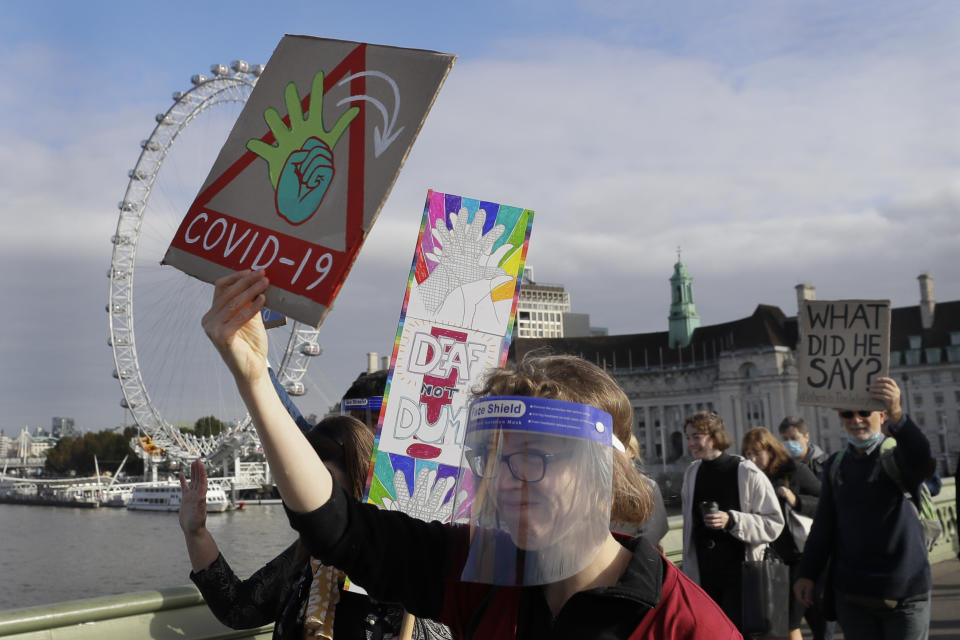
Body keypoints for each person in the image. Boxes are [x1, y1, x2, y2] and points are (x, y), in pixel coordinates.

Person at [203, 269, 742, 640]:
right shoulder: (481, 571)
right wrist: (253, 378)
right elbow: (336, 525)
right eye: (495, 460)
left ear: (603, 469)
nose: (506, 482)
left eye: (531, 459)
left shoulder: (686, 625)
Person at [180, 416, 443, 639]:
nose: (304, 490)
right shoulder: (309, 555)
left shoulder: (398, 559)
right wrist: (196, 533)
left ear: (357, 477)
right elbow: (238, 608)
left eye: (319, 478)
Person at [794, 378, 934, 640]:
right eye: (848, 414)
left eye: (864, 413)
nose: (856, 419)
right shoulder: (836, 465)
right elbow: (824, 526)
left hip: (905, 591)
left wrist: (898, 415)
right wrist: (807, 574)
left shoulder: (896, 457)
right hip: (853, 594)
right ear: (841, 418)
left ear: (881, 416)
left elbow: (922, 458)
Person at [681, 411, 784, 632]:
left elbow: (774, 523)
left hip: (740, 573)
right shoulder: (692, 473)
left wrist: (732, 521)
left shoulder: (746, 471)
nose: (690, 443)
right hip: (703, 574)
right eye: (688, 437)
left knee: (739, 631)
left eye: (696, 436)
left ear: (715, 437)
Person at [741, 427, 821, 640]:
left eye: (757, 453)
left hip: (800, 556)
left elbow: (824, 503)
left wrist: (797, 501)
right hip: (772, 559)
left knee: (792, 623)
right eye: (748, 454)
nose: (752, 458)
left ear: (771, 450)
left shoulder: (794, 471)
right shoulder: (750, 478)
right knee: (784, 621)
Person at [778, 416, 834, 640]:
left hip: (824, 549)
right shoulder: (782, 470)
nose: (789, 443)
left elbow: (830, 504)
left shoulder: (827, 464)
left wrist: (797, 501)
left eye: (794, 438)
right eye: (784, 439)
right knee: (794, 619)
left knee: (822, 617)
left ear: (806, 437)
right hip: (797, 552)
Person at [612, 433, 669, 547]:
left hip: (633, 556)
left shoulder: (648, 486)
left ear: (632, 452)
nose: (611, 453)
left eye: (616, 449)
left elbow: (654, 530)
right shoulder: (598, 485)